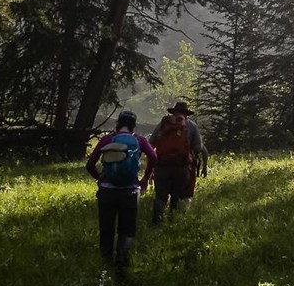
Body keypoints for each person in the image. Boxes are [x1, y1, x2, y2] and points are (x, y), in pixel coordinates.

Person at [85, 110, 156, 269]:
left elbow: (90, 165)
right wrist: (145, 178)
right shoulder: (140, 140)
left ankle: (105, 264)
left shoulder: (107, 139)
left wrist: (100, 178)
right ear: (133, 126)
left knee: (106, 228)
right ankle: (122, 262)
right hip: (129, 190)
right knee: (127, 229)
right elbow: (154, 157)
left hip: (107, 191)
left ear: (118, 124)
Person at [149, 100, 207, 223]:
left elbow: (151, 144)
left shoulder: (163, 124)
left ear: (174, 112)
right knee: (177, 195)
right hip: (181, 167)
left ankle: (158, 218)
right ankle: (172, 221)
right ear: (186, 113)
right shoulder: (191, 125)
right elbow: (198, 148)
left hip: (162, 166)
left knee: (160, 196)